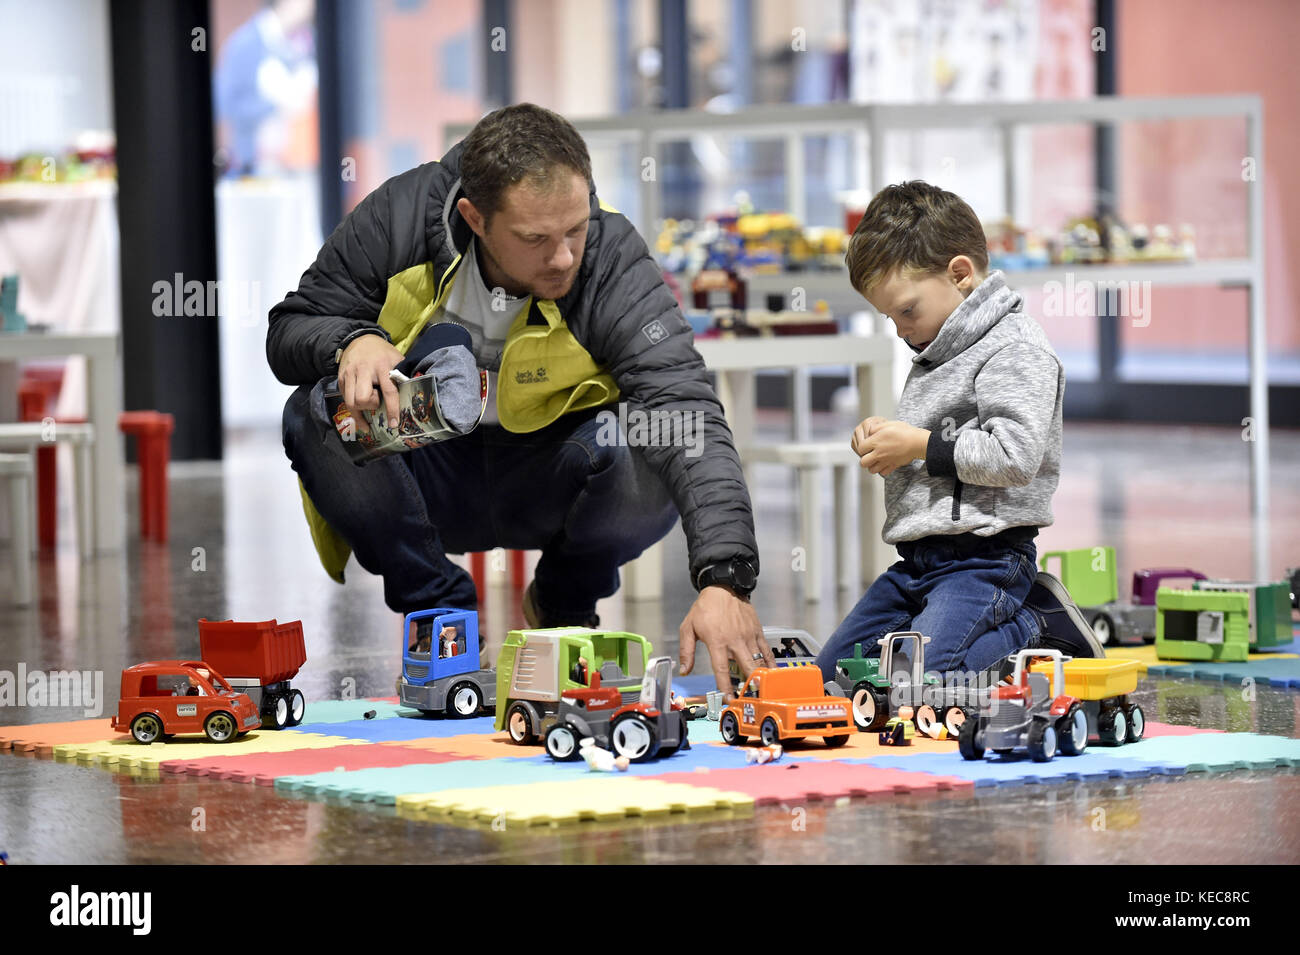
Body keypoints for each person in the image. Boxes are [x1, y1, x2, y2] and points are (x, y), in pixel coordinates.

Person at [270, 104, 774, 694]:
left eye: (575, 230)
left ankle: (564, 601)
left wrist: (725, 579)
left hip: (557, 470)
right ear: (474, 218)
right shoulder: (398, 218)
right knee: (314, 413)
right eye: (535, 239)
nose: (563, 256)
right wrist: (351, 340)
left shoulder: (612, 257)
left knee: (659, 435)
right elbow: (291, 329)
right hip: (422, 474)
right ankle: (439, 610)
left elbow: (685, 408)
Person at [813, 180, 1102, 683]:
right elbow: (940, 445)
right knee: (835, 676)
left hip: (986, 560)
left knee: (926, 682)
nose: (901, 329)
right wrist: (890, 437)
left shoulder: (1014, 347)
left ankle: (1039, 624)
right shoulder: (938, 344)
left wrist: (919, 445)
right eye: (889, 317)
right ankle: (977, 628)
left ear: (961, 274)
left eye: (906, 310)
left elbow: (1015, 456)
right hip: (918, 563)